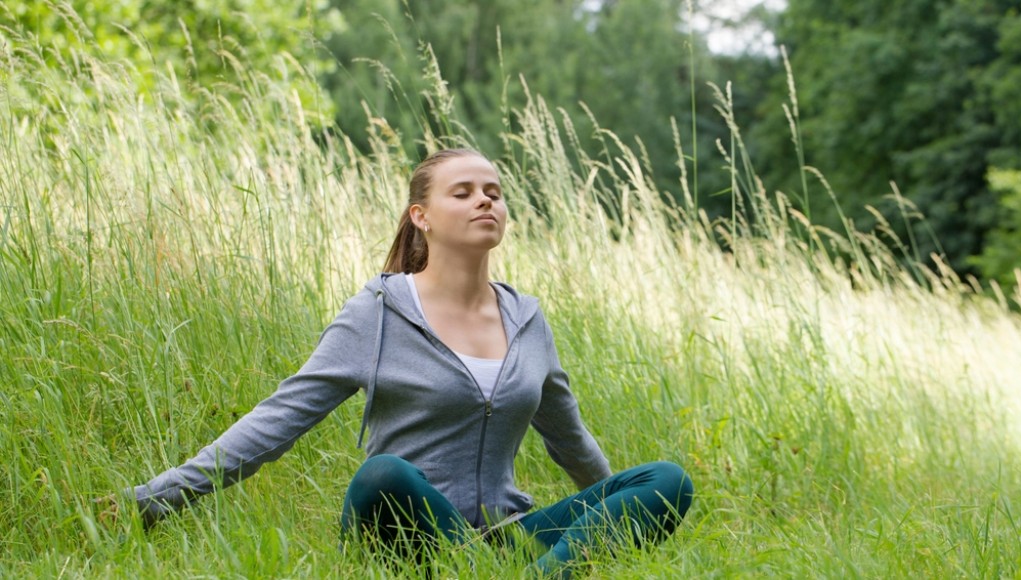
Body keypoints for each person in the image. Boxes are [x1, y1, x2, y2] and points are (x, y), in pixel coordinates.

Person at [120, 148, 694, 576]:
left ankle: (529, 575)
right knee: (384, 473)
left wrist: (615, 509)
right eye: (463, 192)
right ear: (421, 215)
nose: (485, 200)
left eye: (493, 191)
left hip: (508, 536)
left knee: (666, 481)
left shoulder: (527, 319)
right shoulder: (378, 312)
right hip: (405, 532)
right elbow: (279, 419)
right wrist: (155, 498)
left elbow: (571, 442)